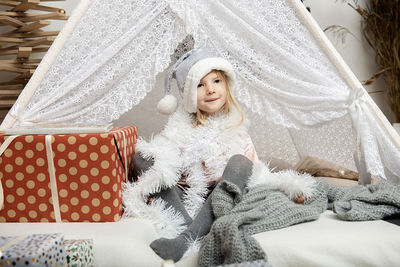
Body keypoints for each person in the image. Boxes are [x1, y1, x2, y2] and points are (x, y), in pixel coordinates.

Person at [125, 48, 314, 262]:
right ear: (189, 95)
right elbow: (163, 162)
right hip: (183, 197)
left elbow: (256, 172)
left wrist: (289, 187)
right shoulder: (178, 127)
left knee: (241, 163)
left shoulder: (236, 128)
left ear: (226, 85)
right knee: (143, 157)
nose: (210, 90)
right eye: (200, 85)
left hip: (220, 197)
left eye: (216, 81)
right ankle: (188, 228)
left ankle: (187, 237)